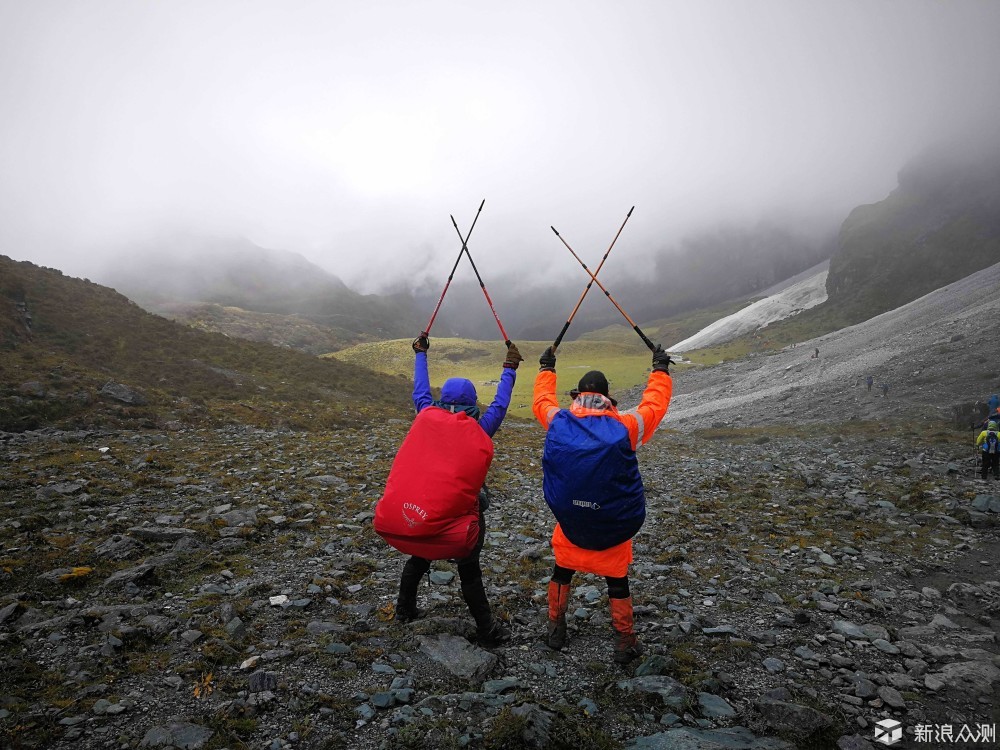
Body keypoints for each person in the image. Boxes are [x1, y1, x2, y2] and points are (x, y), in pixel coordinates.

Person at [532, 344, 672, 664]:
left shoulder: (558, 421)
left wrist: (546, 368)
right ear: (608, 397)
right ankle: (624, 640)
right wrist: (660, 370)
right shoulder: (627, 426)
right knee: (616, 578)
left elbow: (542, 401)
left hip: (571, 520)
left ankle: (556, 627)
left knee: (562, 570)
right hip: (611, 521)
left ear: (578, 394)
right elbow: (655, 403)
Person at [390, 334, 522, 645]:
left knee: (420, 555)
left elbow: (420, 390)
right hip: (464, 513)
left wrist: (420, 354)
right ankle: (486, 629)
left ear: (442, 398)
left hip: (425, 507)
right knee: (469, 568)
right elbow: (501, 403)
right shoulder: (479, 427)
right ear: (472, 401)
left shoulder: (426, 414)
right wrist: (510, 368)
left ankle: (404, 610)